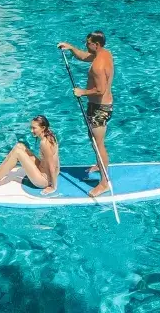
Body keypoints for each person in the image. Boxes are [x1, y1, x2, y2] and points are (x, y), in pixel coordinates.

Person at [57, 31, 114, 197]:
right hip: (100, 106)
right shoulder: (104, 53)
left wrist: (82, 92)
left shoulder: (98, 65)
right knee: (95, 141)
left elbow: (100, 90)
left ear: (96, 44)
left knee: (98, 145)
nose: (85, 45)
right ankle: (99, 164)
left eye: (88, 43)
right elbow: (84, 56)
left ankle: (104, 183)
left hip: (99, 108)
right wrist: (70, 48)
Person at [0, 115, 59, 195]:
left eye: (34, 128)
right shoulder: (50, 135)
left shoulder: (45, 143)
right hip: (42, 170)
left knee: (18, 152)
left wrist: (53, 187)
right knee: (19, 146)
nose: (31, 130)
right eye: (31, 127)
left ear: (43, 128)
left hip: (43, 180)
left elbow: (52, 166)